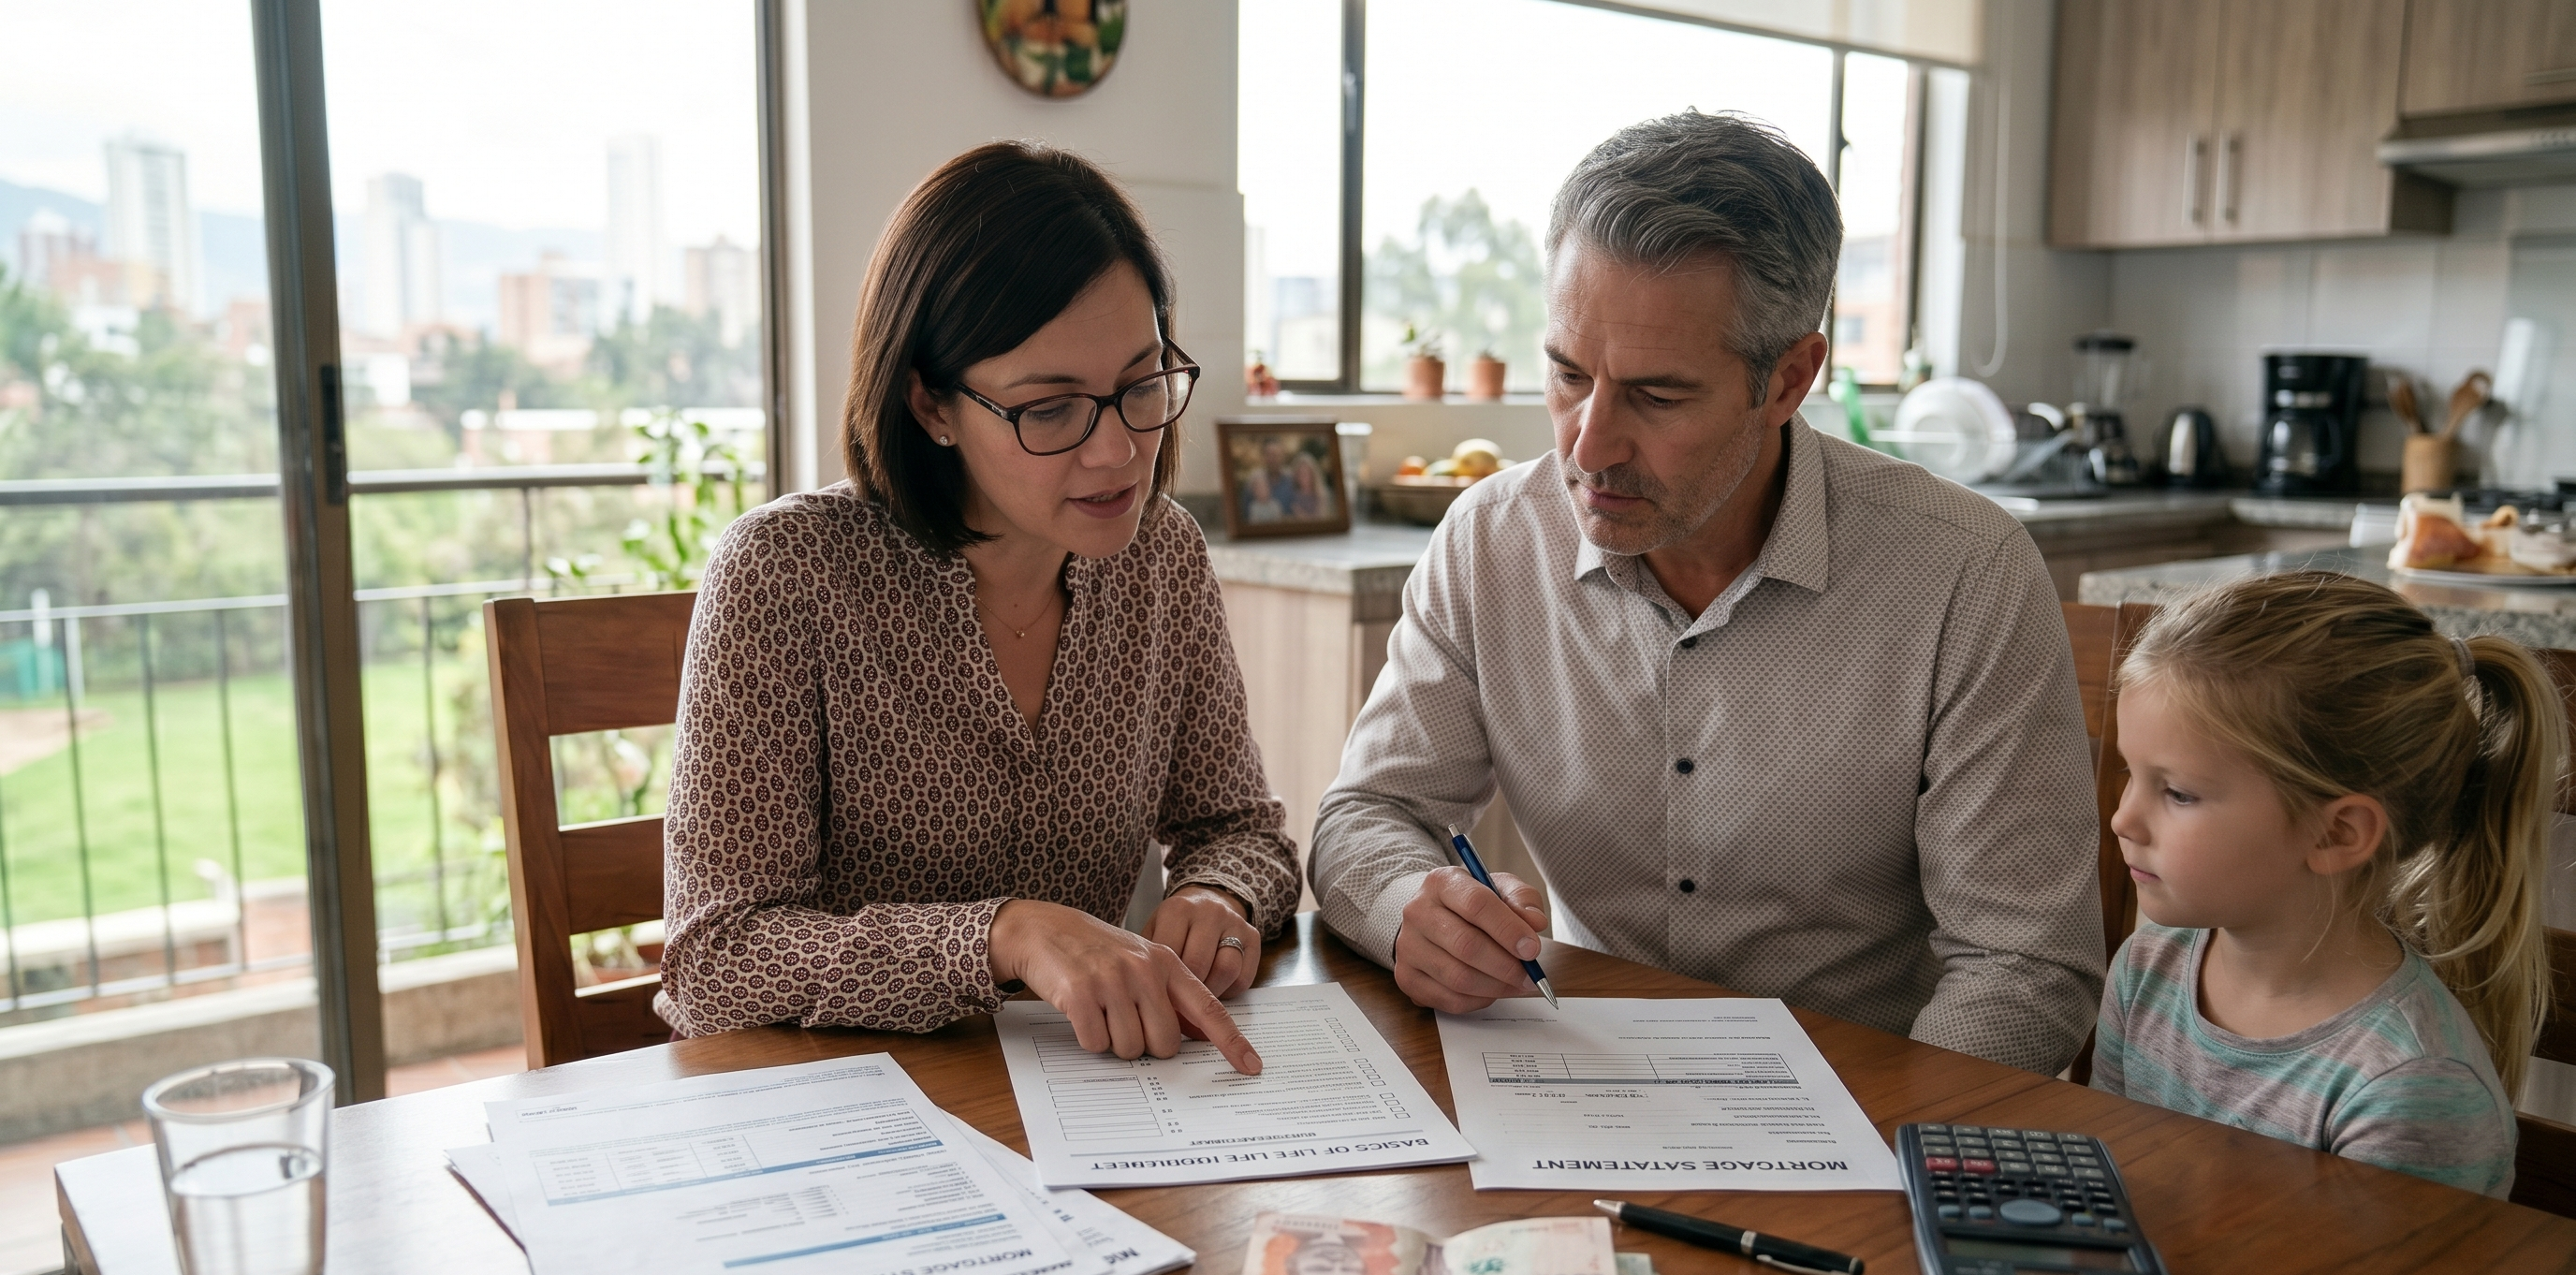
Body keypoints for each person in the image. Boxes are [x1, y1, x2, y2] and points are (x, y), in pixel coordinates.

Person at [1308, 111, 2103, 1075]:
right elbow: (1367, 816)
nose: (1588, 446)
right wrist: (1411, 910)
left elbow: (2021, 967)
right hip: (1581, 1077)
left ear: (1789, 380)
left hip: (1867, 1099)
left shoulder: (1964, 572)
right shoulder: (1490, 541)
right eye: (1567, 375)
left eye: (1658, 396)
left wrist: (1888, 1145)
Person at [658, 141, 1299, 1074]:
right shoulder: (787, 573)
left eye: (1141, 383)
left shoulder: (1160, 554)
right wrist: (1003, 936)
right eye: (1051, 410)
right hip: (840, 1103)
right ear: (930, 406)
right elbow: (717, 961)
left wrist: (1219, 896)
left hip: (1080, 1094)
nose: (1120, 451)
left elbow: (1241, 831)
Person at [2091, 571, 2551, 1197]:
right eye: (2130, 773)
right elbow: (2108, 1192)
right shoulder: (2146, 971)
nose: (2123, 819)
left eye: (2177, 792)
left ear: (2336, 835)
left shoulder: (2408, 1087)